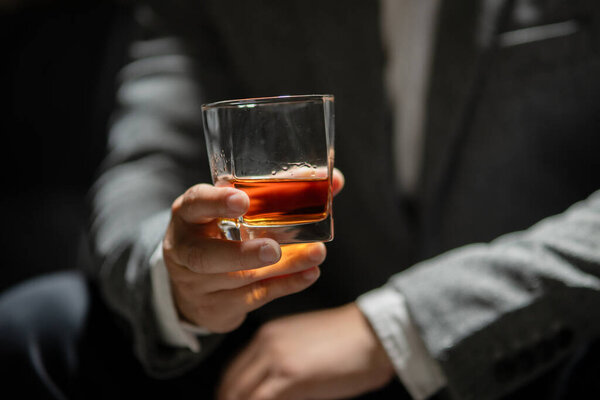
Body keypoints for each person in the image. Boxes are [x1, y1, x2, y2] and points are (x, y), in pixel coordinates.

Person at [2, 0, 600, 399]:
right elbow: (147, 169)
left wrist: (401, 326)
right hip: (279, 321)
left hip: (540, 336)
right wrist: (181, 281)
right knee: (37, 327)